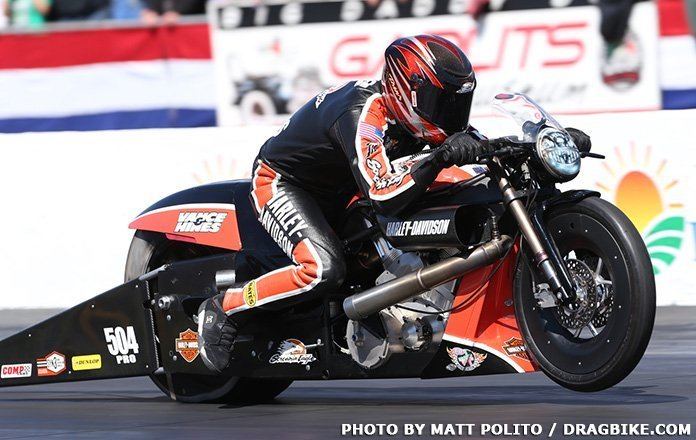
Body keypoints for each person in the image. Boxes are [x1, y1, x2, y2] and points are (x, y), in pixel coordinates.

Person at [197, 34, 591, 373]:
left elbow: (479, 148)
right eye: (440, 102)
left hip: (350, 187)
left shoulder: (424, 116)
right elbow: (384, 194)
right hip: (287, 184)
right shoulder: (362, 113)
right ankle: (225, 307)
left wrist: (537, 145)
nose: (449, 115)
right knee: (322, 269)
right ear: (407, 91)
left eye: (455, 104)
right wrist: (439, 157)